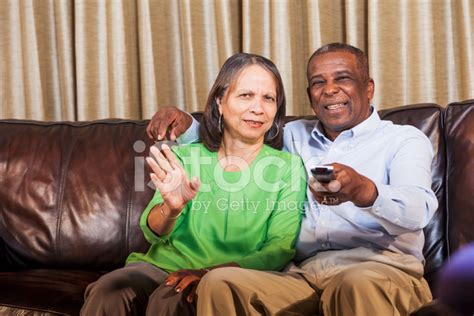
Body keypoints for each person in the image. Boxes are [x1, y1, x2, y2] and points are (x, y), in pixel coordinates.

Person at [147, 43, 439, 315]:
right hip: (303, 275)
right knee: (219, 281)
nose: (330, 90)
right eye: (318, 82)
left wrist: (362, 190)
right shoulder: (295, 134)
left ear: (369, 88)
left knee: (354, 282)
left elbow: (418, 210)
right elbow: (236, 133)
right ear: (309, 93)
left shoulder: (403, 139)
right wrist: (185, 123)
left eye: (343, 78)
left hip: (380, 269)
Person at [80, 53, 307, 315]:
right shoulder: (186, 156)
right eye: (246, 95)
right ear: (220, 102)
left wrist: (209, 272)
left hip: (229, 276)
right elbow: (153, 231)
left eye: (268, 98)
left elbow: (278, 249)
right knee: (110, 290)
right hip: (161, 266)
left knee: (172, 299)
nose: (258, 108)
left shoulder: (287, 168)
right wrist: (172, 208)